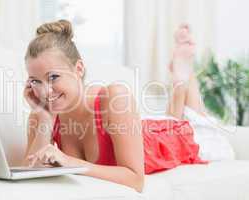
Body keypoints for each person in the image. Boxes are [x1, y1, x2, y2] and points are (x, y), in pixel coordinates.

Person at [23, 20, 206, 192]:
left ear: (78, 69)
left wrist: (70, 162)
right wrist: (44, 118)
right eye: (35, 81)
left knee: (191, 125)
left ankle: (182, 81)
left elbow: (136, 181)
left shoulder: (115, 98)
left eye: (53, 77)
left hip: (173, 140)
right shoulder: (42, 115)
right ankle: (181, 81)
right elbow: (30, 173)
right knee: (172, 118)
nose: (45, 92)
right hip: (142, 130)